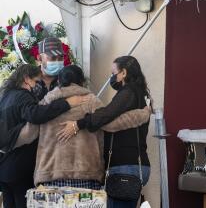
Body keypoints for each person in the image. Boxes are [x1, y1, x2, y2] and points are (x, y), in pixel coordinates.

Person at [18, 65, 150, 190]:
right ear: (82, 81)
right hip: (86, 174)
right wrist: (142, 114)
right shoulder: (90, 101)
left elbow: (27, 134)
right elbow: (113, 123)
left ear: (59, 81)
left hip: (50, 175)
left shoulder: (46, 103)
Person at [58, 56, 152, 208]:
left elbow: (107, 115)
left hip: (125, 166)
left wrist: (78, 123)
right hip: (136, 165)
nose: (112, 77)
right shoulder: (141, 93)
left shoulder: (129, 91)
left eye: (113, 73)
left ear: (123, 73)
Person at [0, 64, 86, 208]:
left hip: (5, 166)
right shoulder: (22, 95)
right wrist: (67, 103)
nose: (37, 85)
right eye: (35, 81)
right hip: (20, 167)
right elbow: (36, 115)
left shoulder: (6, 96)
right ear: (26, 79)